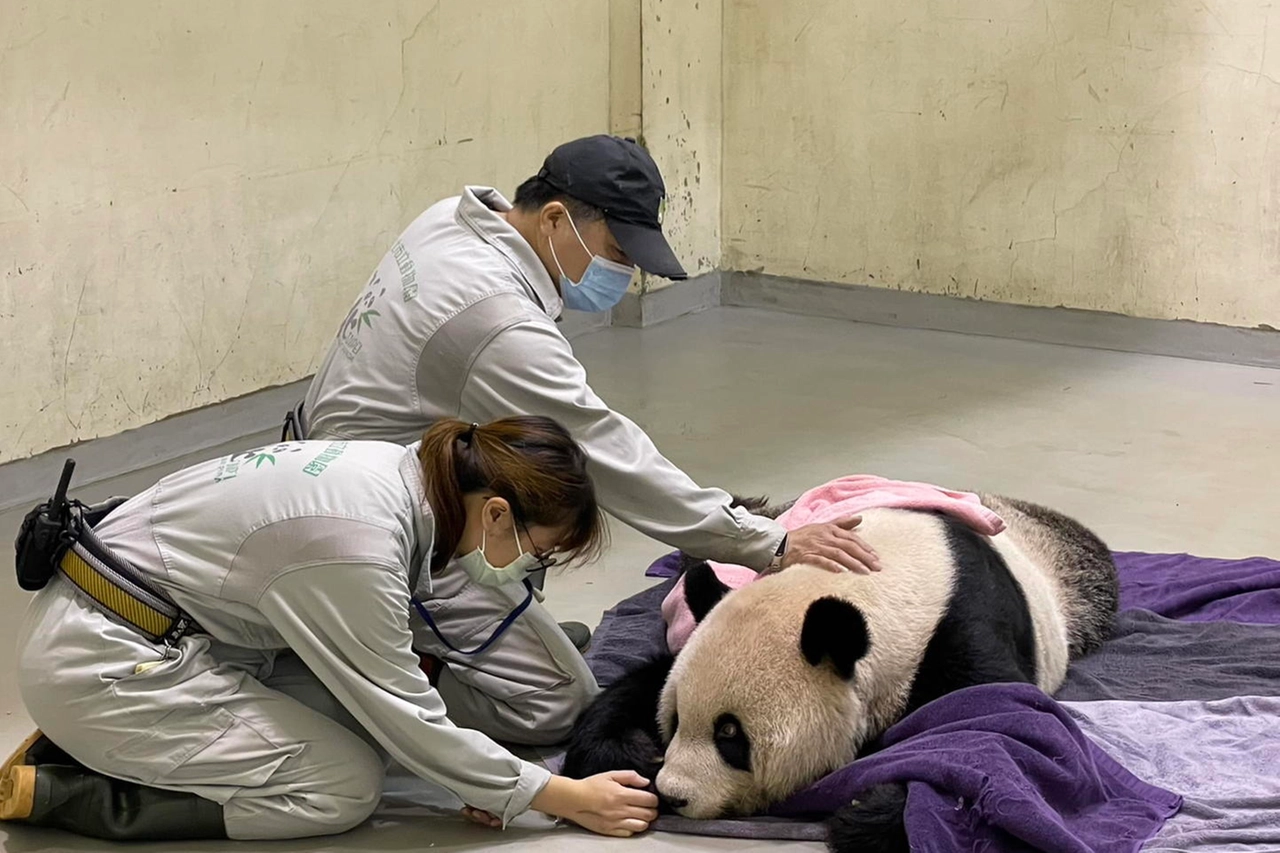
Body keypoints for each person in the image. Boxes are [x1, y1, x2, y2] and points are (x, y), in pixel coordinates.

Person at [286, 135, 881, 649]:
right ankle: (433, 656)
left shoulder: (452, 220)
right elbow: (603, 450)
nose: (623, 276)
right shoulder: (495, 321)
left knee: (523, 465)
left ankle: (494, 635)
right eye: (617, 253)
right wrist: (765, 543)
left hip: (326, 463)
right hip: (364, 532)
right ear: (552, 218)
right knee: (557, 701)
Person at [0, 417, 656, 841]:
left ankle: (124, 741)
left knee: (362, 726)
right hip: (108, 665)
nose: (527, 568)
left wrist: (484, 776)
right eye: (535, 552)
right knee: (342, 785)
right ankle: (79, 789)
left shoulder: (395, 472)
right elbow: (408, 718)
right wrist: (559, 795)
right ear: (494, 513)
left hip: (157, 631)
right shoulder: (357, 545)